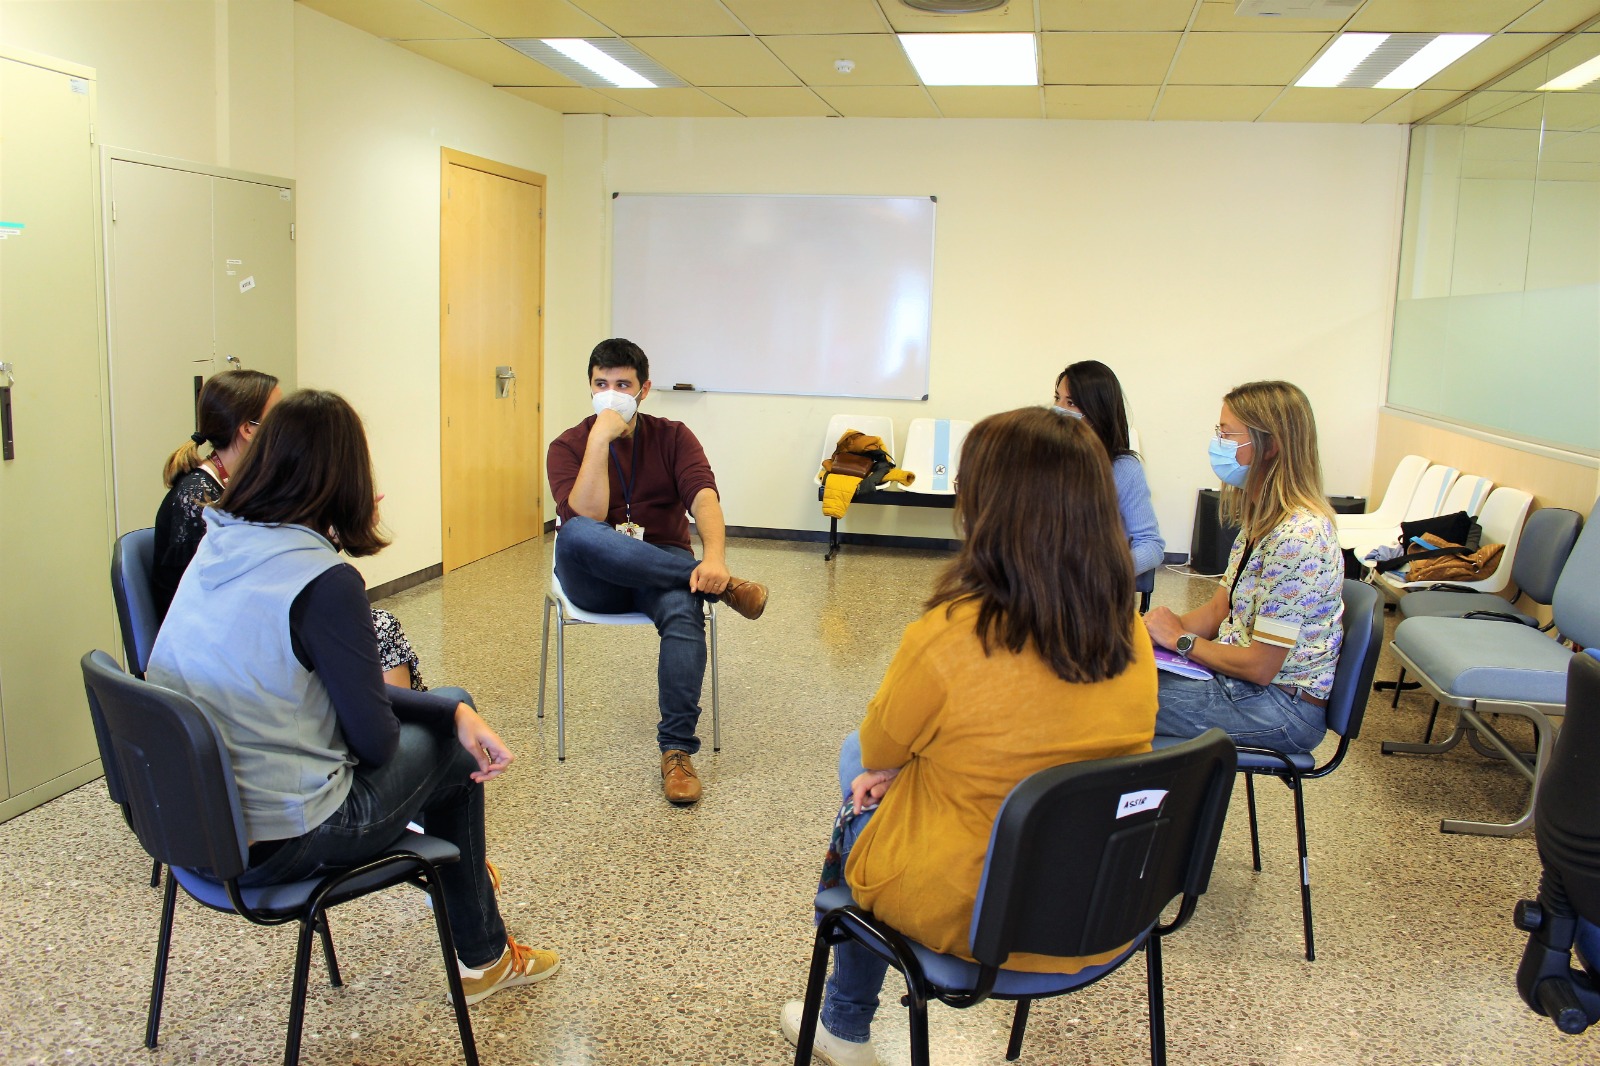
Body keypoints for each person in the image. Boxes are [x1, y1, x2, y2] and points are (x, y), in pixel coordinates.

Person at [147, 390, 558, 1004]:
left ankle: (480, 939)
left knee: (452, 707)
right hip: (283, 841)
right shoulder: (322, 581)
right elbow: (374, 741)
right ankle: (484, 954)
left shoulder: (220, 540)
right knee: (457, 751)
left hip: (193, 828)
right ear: (346, 478)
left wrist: (450, 707)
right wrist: (451, 717)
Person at [779, 407, 1158, 1065]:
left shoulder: (953, 634)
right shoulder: (1131, 629)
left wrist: (893, 769)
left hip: (976, 916)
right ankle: (843, 1012)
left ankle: (843, 1020)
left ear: (988, 507)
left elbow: (876, 752)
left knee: (856, 769)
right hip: (1101, 906)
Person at [546, 338, 769, 806]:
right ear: (588, 387)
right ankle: (725, 589)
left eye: (622, 384)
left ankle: (677, 753)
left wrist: (715, 558)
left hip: (658, 574)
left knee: (684, 611)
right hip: (594, 578)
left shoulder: (673, 436)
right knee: (576, 532)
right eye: (601, 384)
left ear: (643, 389)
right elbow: (585, 514)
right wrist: (601, 440)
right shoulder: (568, 445)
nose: (611, 393)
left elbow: (703, 496)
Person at [153, 370, 425, 689]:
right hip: (221, 662)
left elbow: (274, 568)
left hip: (234, 650)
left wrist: (332, 538)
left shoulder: (236, 491)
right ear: (249, 430)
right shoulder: (201, 504)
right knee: (376, 633)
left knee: (376, 630)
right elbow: (257, 584)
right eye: (279, 415)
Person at [1143, 380, 1342, 755]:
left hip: (1281, 708)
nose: (1218, 443)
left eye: (1227, 434)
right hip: (1249, 688)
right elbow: (1220, 610)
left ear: (1272, 445)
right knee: (1118, 676)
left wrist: (1180, 640)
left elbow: (1260, 667)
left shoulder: (1298, 538)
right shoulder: (1263, 522)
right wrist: (1149, 632)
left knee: (1112, 698)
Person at [1054, 360, 1165, 578]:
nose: (1059, 410)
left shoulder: (1123, 469)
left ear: (1097, 411)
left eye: (1072, 403)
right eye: (1057, 399)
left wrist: (1106, 572)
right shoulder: (1041, 460)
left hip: (1093, 590)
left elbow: (1151, 546)